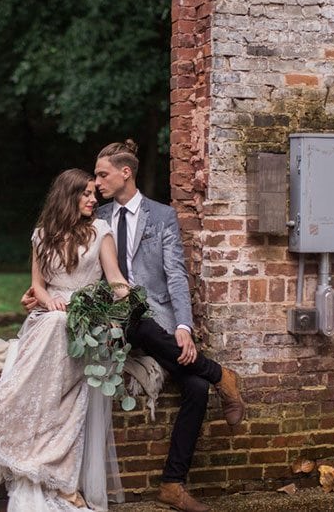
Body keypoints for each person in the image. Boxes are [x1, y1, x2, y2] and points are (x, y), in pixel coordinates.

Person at [0, 168, 131, 512]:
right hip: (49, 317)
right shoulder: (42, 235)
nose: (93, 199)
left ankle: (62, 475)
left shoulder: (101, 231)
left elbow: (114, 279)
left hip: (85, 319)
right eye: (86, 194)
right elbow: (38, 285)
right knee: (55, 320)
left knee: (63, 335)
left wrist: (122, 299)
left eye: (93, 194)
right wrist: (47, 299)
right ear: (68, 197)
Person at [93, 140, 245, 512]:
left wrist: (182, 325)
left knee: (195, 388)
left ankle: (173, 485)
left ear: (125, 172)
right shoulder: (97, 218)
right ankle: (221, 373)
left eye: (102, 174)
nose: (97, 182)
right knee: (138, 321)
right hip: (119, 323)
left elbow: (176, 275)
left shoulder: (161, 216)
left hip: (159, 323)